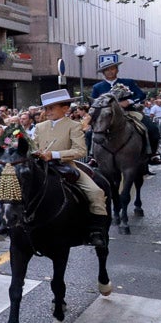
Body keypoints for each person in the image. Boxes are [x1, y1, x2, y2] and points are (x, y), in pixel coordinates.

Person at [33, 89, 109, 247]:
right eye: (46, 108)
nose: (47, 112)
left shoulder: (74, 126)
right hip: (40, 167)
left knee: (96, 192)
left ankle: (96, 231)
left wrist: (53, 155)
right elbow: (33, 146)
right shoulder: (40, 127)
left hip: (66, 166)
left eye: (51, 108)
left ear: (65, 108)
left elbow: (80, 151)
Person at [90, 53, 161, 164]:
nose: (110, 71)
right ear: (103, 73)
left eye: (112, 68)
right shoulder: (97, 87)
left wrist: (128, 101)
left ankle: (152, 154)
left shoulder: (127, 82)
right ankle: (93, 156)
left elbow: (141, 95)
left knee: (151, 128)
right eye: (106, 70)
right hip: (106, 116)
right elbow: (94, 103)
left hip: (129, 112)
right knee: (90, 133)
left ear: (117, 70)